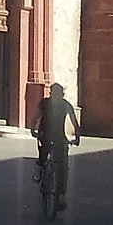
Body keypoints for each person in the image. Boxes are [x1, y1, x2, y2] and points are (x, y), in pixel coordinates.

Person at [32, 81, 79, 209]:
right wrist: (77, 138)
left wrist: (33, 130)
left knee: (44, 155)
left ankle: (39, 173)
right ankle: (61, 195)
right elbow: (75, 123)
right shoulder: (65, 105)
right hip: (58, 137)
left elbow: (36, 117)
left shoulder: (44, 102)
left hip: (45, 135)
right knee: (63, 167)